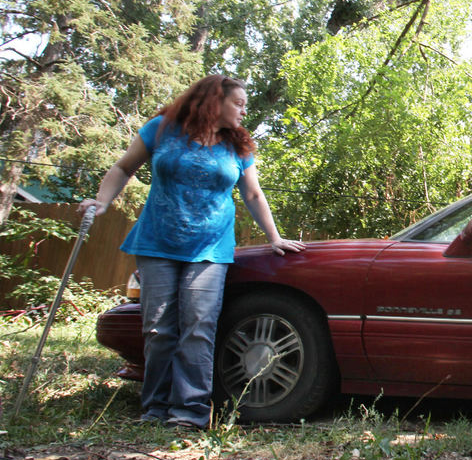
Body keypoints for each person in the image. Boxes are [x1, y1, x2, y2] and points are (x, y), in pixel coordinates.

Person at [79, 74, 304, 429]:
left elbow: (253, 194)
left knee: (198, 325)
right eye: (239, 103)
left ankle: (190, 411)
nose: (244, 110)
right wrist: (103, 202)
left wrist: (274, 237)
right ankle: (155, 408)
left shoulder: (238, 145)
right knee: (158, 328)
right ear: (214, 101)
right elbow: (124, 167)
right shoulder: (161, 129)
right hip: (158, 243)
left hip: (209, 249)